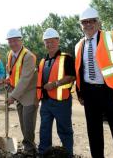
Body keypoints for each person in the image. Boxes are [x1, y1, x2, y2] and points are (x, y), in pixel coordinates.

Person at [75, 7, 113, 158]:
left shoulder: (111, 38)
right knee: (94, 134)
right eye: (84, 22)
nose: (88, 25)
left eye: (91, 21)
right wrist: (80, 93)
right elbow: (79, 71)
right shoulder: (79, 45)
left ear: (98, 22)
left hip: (110, 93)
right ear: (81, 25)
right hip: (89, 94)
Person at [36, 28, 75, 157]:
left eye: (52, 41)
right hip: (45, 102)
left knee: (64, 131)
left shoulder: (66, 58)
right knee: (44, 130)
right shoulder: (43, 61)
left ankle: (68, 155)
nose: (49, 44)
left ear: (58, 41)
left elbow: (71, 77)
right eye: (46, 42)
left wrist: (55, 84)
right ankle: (44, 154)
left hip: (61, 102)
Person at [6, 28, 38, 156]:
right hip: (19, 94)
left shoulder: (28, 56)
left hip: (29, 94)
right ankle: (28, 145)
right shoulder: (10, 54)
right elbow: (12, 72)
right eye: (10, 41)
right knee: (23, 123)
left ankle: (30, 149)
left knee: (28, 122)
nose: (13, 43)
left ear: (21, 41)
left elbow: (25, 79)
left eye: (15, 41)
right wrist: (9, 81)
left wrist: (12, 96)